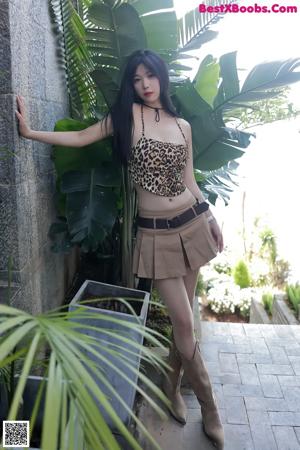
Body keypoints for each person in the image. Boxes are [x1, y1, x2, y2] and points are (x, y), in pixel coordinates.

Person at [15, 49, 224, 449]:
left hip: (193, 225)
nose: (145, 85)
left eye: (150, 76)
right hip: (156, 233)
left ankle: (173, 385)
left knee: (186, 323)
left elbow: (191, 179)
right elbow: (81, 137)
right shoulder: (127, 119)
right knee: (182, 323)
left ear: (162, 77)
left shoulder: (182, 126)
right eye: (137, 79)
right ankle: (211, 408)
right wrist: (31, 133)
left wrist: (211, 218)